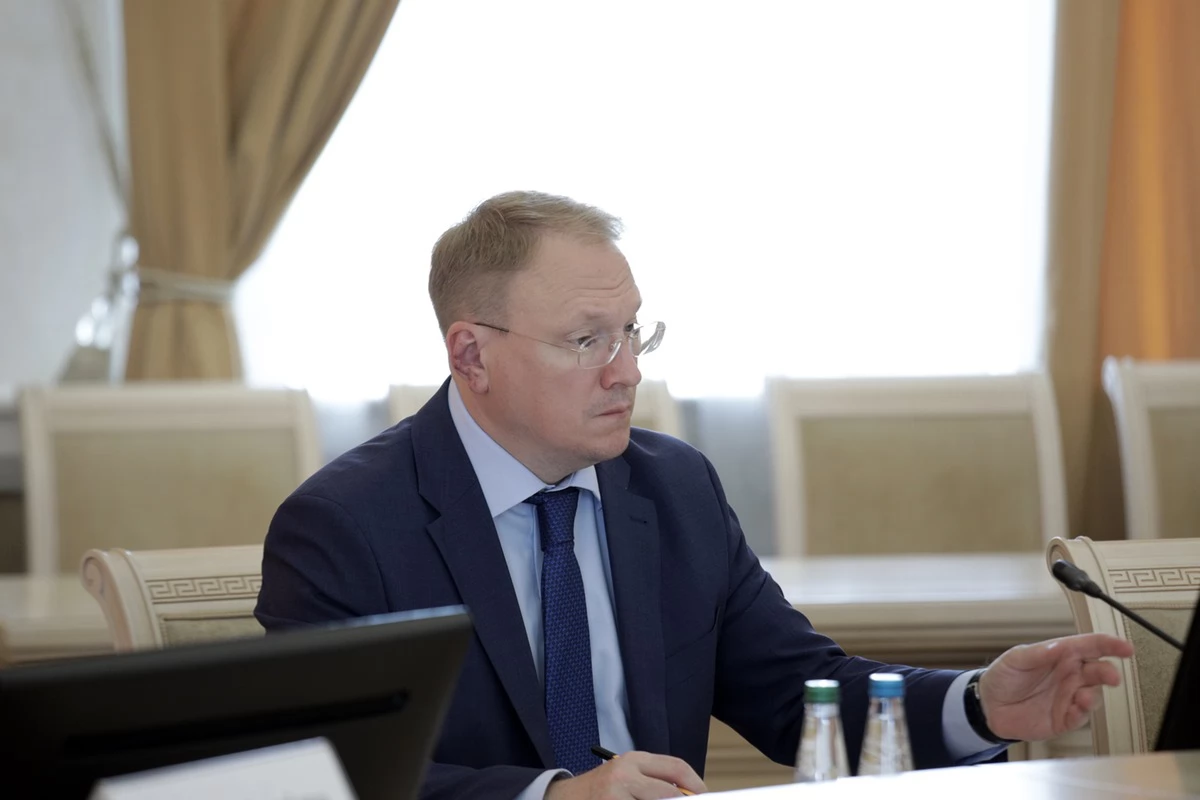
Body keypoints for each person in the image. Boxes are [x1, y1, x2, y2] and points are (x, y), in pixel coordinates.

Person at [255, 190, 1133, 800]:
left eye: (632, 333)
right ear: (471, 354)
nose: (627, 372)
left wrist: (977, 704)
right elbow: (327, 775)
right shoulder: (344, 528)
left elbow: (798, 693)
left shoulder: (672, 488)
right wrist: (553, 796)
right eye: (586, 341)